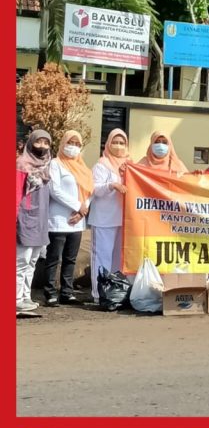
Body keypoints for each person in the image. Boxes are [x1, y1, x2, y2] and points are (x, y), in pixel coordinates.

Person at [43, 130, 93, 307]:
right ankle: (49, 293)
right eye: (70, 142)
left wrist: (82, 210)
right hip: (58, 219)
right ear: (63, 143)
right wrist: (77, 206)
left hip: (77, 221)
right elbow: (54, 190)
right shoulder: (55, 164)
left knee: (71, 258)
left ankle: (67, 292)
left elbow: (89, 190)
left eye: (77, 144)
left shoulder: (83, 168)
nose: (74, 147)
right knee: (53, 258)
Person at [88, 129, 131, 302]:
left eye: (122, 143)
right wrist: (111, 185)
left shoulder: (131, 165)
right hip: (104, 219)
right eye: (115, 142)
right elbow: (95, 189)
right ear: (108, 143)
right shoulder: (102, 164)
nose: (118, 146)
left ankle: (115, 292)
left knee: (117, 259)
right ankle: (99, 293)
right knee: (101, 256)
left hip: (123, 219)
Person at [16, 128, 52, 315]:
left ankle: (25, 297)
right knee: (21, 261)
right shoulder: (22, 165)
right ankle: (15, 299)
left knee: (32, 262)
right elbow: (15, 194)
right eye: (38, 142)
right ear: (31, 143)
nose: (42, 146)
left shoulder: (46, 166)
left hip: (40, 220)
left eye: (46, 143)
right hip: (25, 218)